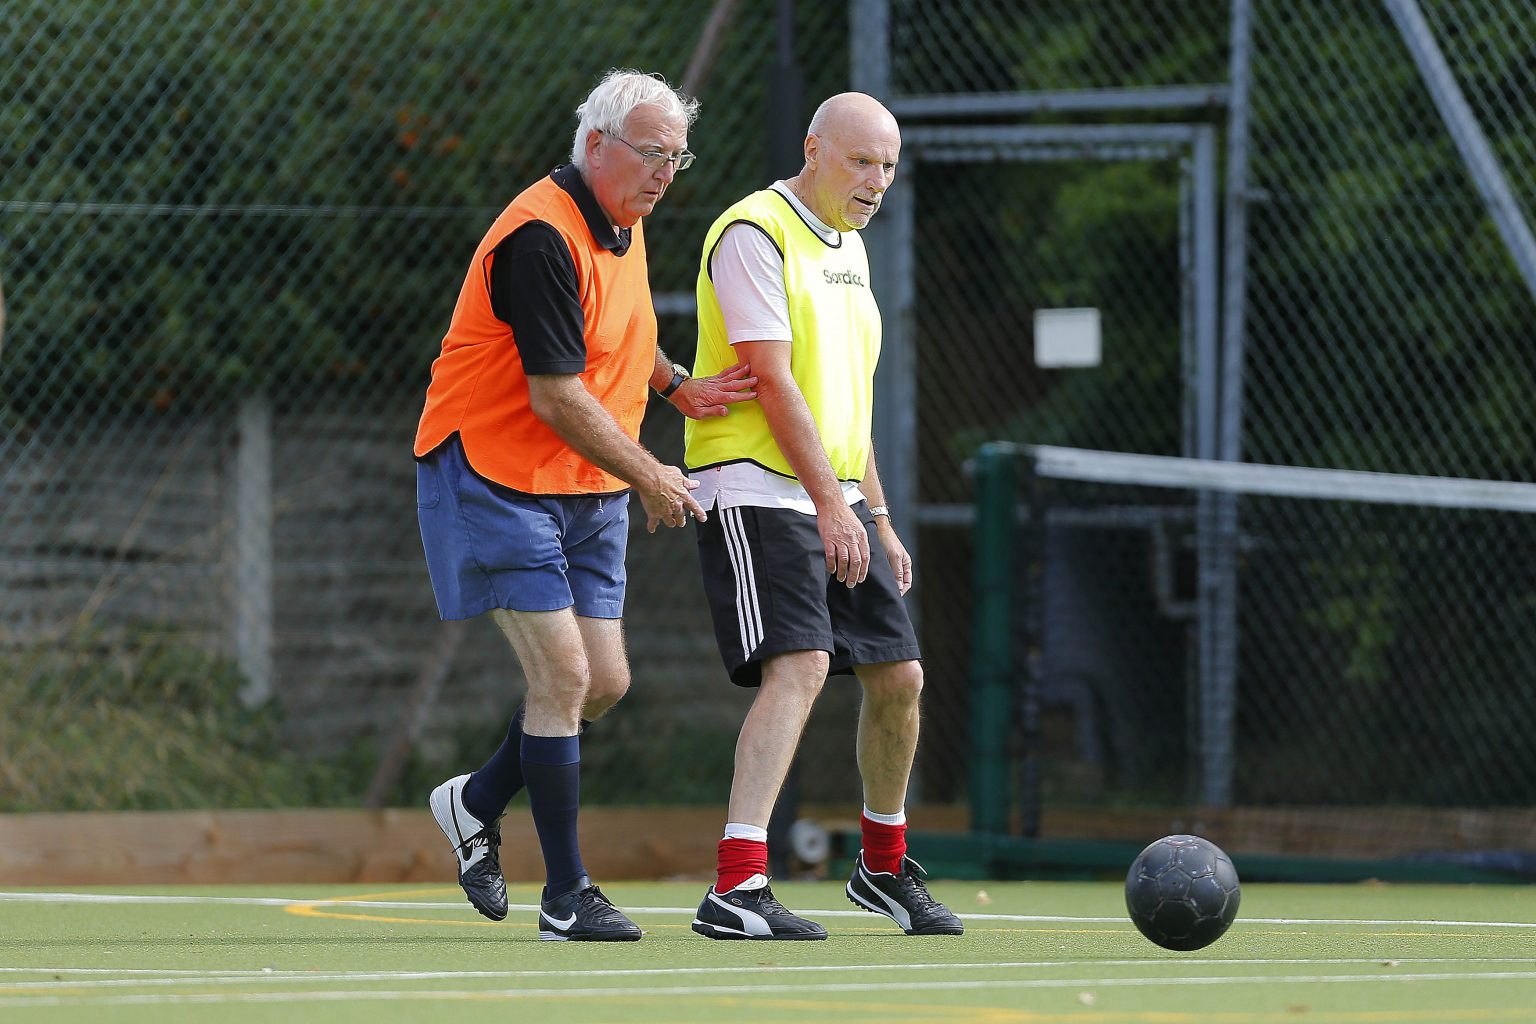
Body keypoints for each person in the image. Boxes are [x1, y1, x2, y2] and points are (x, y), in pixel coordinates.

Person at [414, 69, 755, 942]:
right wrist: (651, 472)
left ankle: (474, 801)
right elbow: (558, 393)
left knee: (603, 683)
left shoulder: (622, 223)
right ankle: (566, 894)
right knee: (563, 678)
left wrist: (678, 386)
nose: (666, 173)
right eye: (652, 154)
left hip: (582, 481)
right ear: (595, 145)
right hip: (494, 471)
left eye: (678, 157)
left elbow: (622, 333)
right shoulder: (538, 236)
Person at [684, 92, 962, 941]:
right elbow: (772, 381)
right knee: (800, 664)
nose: (877, 181)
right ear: (813, 148)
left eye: (888, 166)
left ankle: (882, 870)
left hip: (832, 494)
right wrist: (823, 501)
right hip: (757, 486)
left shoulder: (852, 248)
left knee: (900, 677)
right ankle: (736, 887)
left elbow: (847, 406)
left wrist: (873, 514)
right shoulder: (752, 232)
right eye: (861, 162)